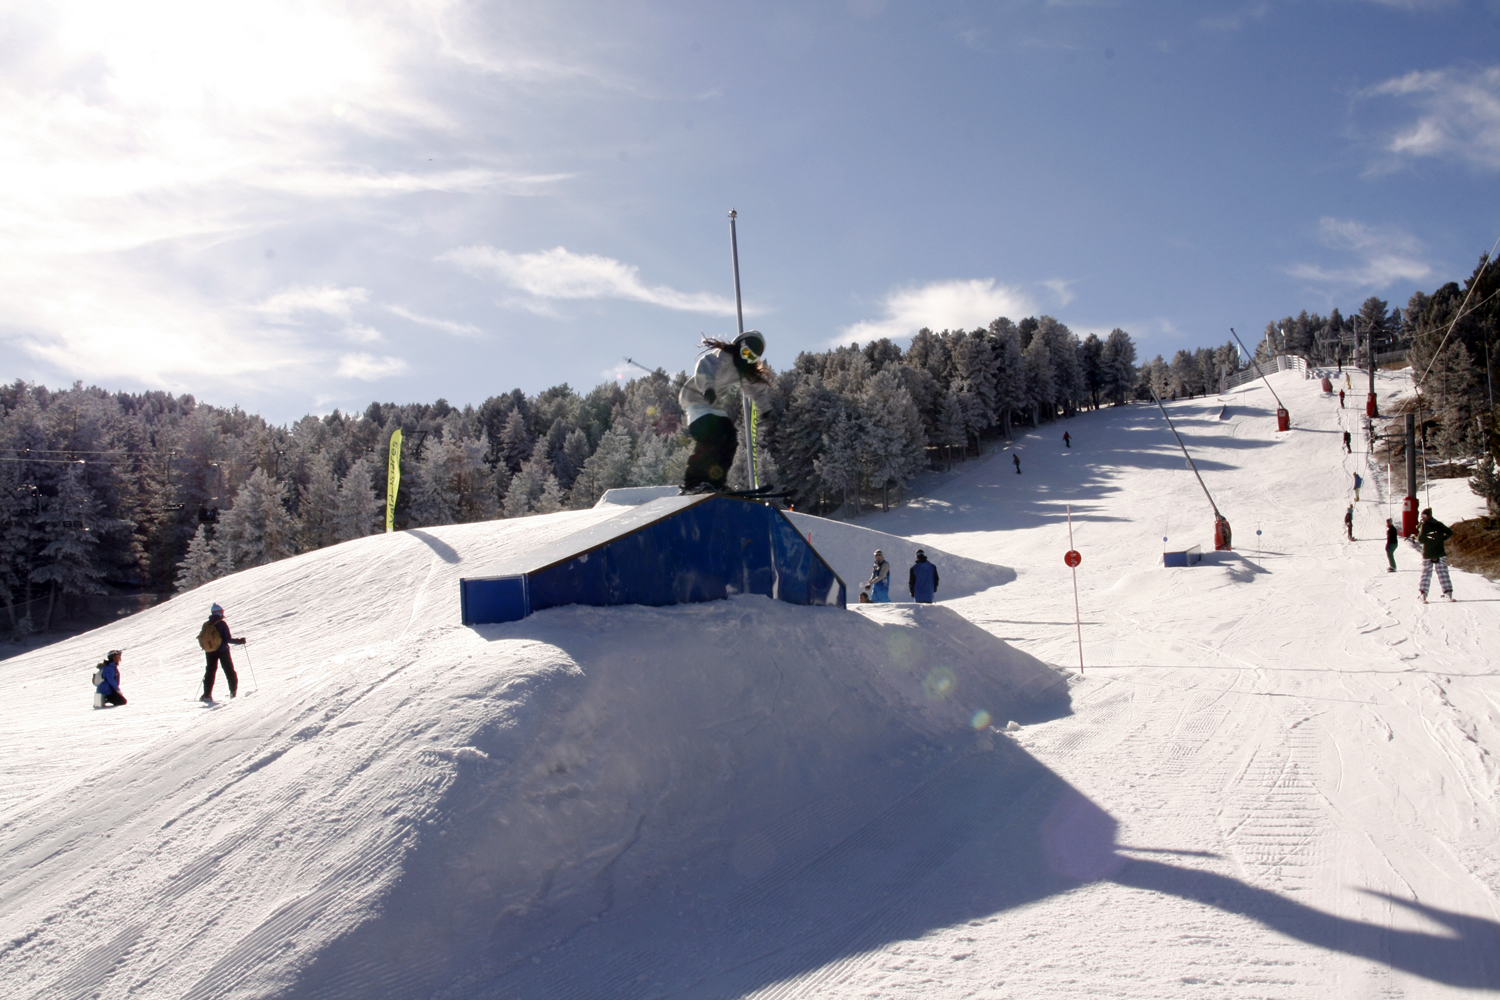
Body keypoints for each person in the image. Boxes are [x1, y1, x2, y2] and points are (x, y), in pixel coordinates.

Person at [678, 331, 772, 494]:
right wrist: (708, 387)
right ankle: (692, 483)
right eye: (745, 352)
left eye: (751, 357)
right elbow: (706, 365)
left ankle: (716, 482)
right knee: (712, 437)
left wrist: (764, 408)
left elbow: (756, 390)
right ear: (738, 347)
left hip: (713, 405)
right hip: (695, 398)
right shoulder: (724, 356)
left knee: (730, 438)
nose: (746, 358)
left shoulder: (743, 370)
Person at [199, 602, 247, 702]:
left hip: (210, 651)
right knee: (229, 671)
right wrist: (240, 641)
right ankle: (233, 693)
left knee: (210, 672)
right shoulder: (222, 624)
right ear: (220, 612)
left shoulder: (207, 624)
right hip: (222, 651)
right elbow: (227, 639)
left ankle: (207, 694)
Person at [1416, 508, 1455, 603]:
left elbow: (1421, 540)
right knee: (1443, 573)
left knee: (1426, 574)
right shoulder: (1439, 524)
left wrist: (1418, 536)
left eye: (1424, 516)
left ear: (1429, 515)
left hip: (1428, 553)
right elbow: (1450, 532)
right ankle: (1448, 593)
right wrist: (1441, 539)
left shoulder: (1424, 525)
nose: (1423, 518)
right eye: (1421, 516)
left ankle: (1423, 594)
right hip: (1440, 552)